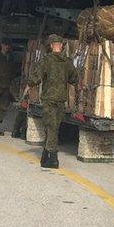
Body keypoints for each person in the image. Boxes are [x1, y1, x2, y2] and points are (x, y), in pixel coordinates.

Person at [27, 34, 79, 169]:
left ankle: (53, 158)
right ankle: (45, 156)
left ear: (51, 46)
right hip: (61, 100)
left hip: (49, 100)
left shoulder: (46, 61)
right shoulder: (68, 62)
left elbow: (36, 77)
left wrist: (29, 85)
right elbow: (74, 79)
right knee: (53, 127)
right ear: (61, 46)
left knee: (50, 127)